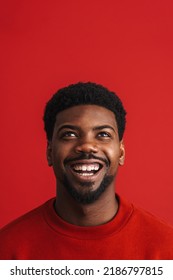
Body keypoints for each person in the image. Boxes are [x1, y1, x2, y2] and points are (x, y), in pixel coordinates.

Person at [0, 82, 173, 260]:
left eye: (103, 134)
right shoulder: (8, 249)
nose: (87, 146)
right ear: (50, 152)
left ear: (121, 152)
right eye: (69, 134)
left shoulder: (166, 248)